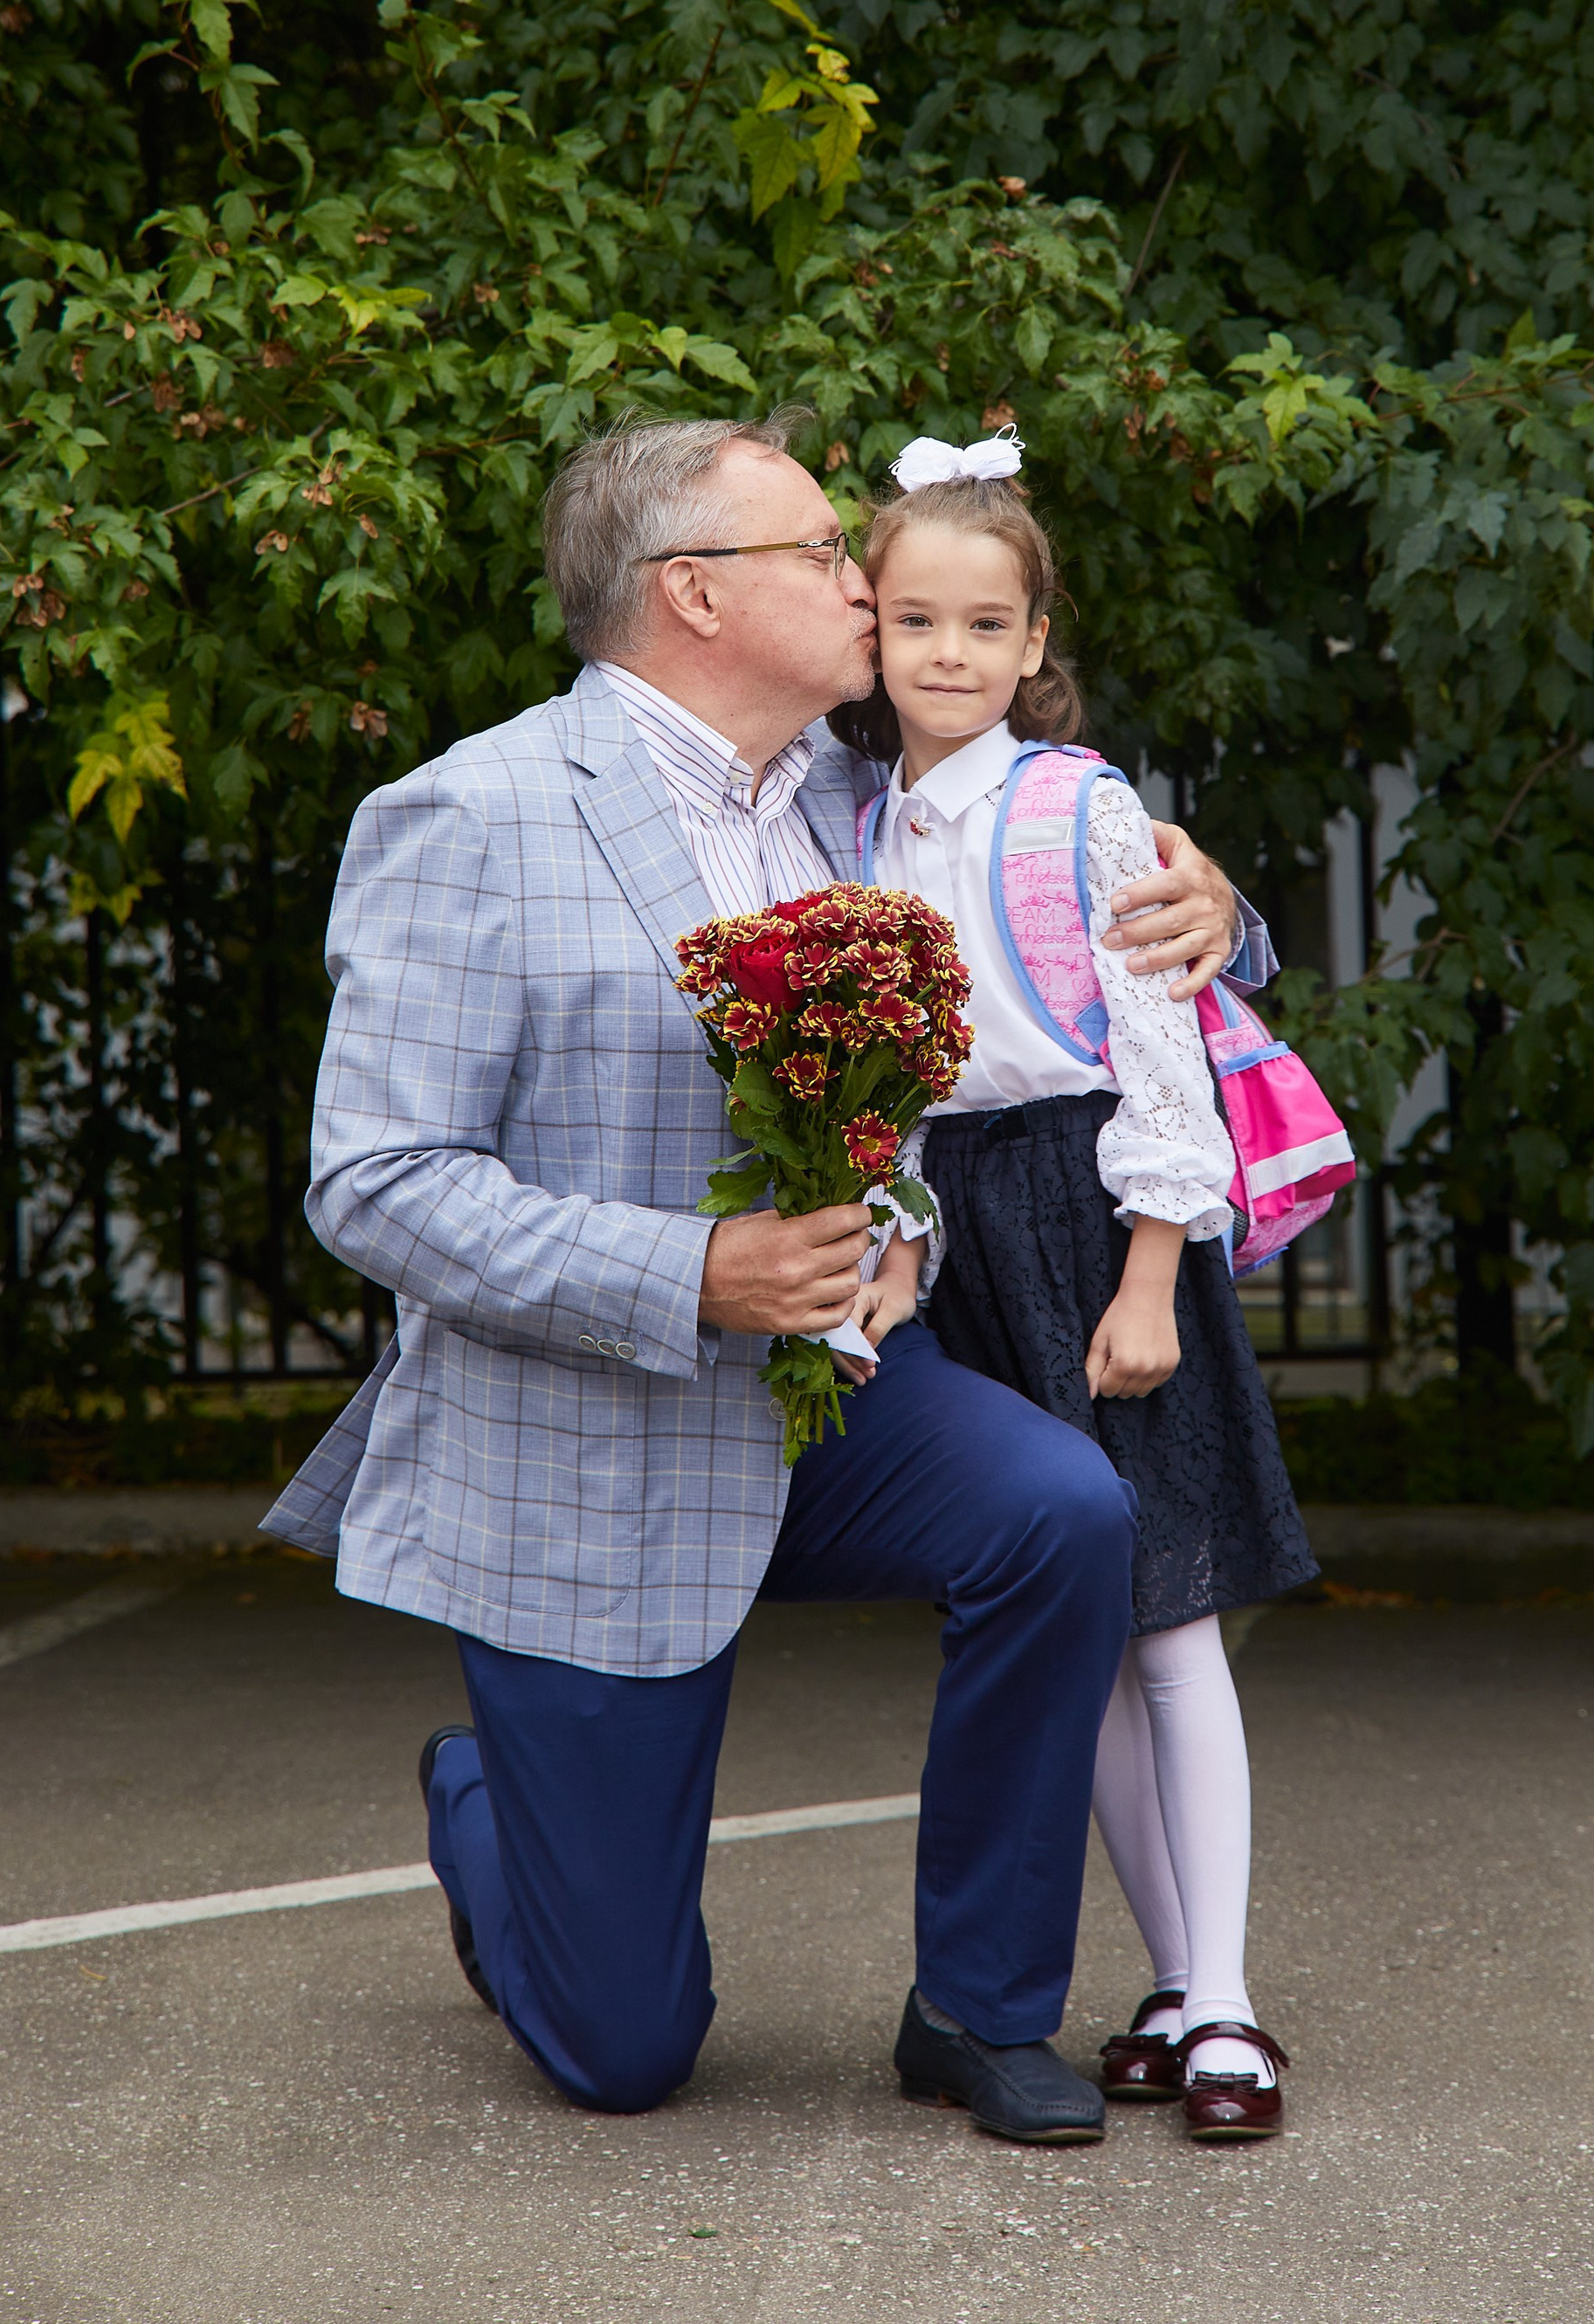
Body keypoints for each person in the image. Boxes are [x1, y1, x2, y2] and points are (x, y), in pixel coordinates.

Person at [261, 408, 1261, 2144]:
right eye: (822, 554)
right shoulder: (468, 814)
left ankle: (980, 2007)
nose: (866, 584)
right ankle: (492, 1802)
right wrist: (696, 1271)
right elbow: (375, 1182)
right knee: (627, 2054)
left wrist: (1214, 915)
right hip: (595, 1454)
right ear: (695, 595)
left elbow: (1037, 977)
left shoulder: (858, 795)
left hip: (834, 1407)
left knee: (1062, 1515)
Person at [834, 431, 1317, 2143]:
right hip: (965, 1229)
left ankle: (1230, 2000)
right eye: (916, 623)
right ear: (867, 630)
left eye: (986, 625)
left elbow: (1160, 1045)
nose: (950, 654)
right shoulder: (864, 812)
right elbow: (886, 1068)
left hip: (1099, 1204)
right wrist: (894, 1239)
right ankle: (1170, 1979)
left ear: (1037, 642)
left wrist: (1151, 1277)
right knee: (1081, 1632)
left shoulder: (1082, 805)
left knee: (1172, 1623)